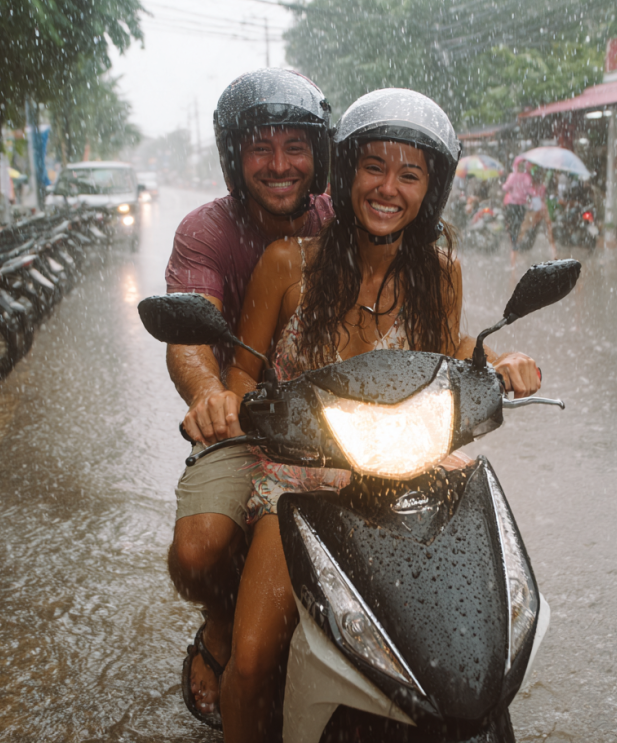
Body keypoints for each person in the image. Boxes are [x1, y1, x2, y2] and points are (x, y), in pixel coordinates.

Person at [211, 89, 543, 742]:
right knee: (249, 660)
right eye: (374, 166)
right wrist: (225, 400)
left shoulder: (439, 271)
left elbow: (444, 354)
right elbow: (242, 374)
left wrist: (499, 361)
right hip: (299, 478)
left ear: (431, 188)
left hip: (408, 469)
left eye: (409, 173)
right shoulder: (286, 264)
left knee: (474, 634)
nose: (387, 186)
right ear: (345, 172)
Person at [163, 68, 333, 729]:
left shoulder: (341, 216)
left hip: (339, 422)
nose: (279, 164)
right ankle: (220, 621)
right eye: (261, 146)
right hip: (244, 417)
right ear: (234, 155)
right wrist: (209, 393)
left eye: (296, 146)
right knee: (200, 547)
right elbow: (186, 333)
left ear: (320, 155)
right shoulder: (205, 231)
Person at [501, 156, 534, 267]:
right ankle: (515, 245)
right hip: (521, 206)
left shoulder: (512, 176)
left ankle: (513, 245)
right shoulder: (527, 177)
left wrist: (505, 185)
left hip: (510, 204)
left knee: (512, 227)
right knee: (518, 226)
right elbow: (530, 191)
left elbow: (505, 188)